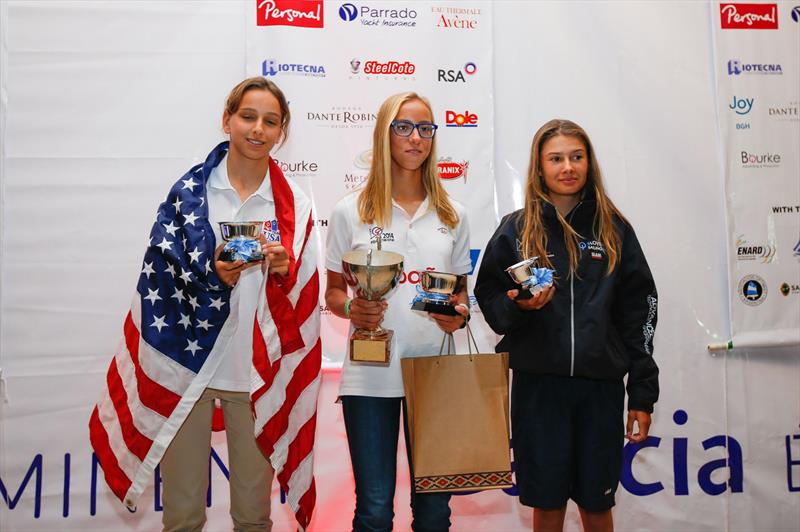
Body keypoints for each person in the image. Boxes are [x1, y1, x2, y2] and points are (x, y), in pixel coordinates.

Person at [90, 77, 320, 532]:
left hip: (254, 376)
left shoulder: (293, 204)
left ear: (282, 132)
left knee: (253, 518)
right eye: (248, 116)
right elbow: (159, 272)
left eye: (270, 121)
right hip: (187, 370)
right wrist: (213, 276)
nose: (257, 129)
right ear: (227, 120)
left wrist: (282, 272)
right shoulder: (188, 194)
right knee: (182, 517)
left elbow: (304, 297)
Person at [474, 119, 659, 532]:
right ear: (539, 168)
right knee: (548, 504)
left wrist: (642, 395)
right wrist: (521, 305)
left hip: (600, 390)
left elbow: (641, 313)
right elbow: (491, 304)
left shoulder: (615, 229)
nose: (567, 167)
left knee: (597, 505)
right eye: (555, 158)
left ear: (589, 164)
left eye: (576, 157)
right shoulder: (516, 229)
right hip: (539, 390)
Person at [325, 92, 472, 532]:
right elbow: (333, 292)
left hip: (436, 374)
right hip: (370, 374)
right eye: (404, 127)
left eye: (425, 129)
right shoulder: (350, 210)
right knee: (373, 510)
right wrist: (354, 307)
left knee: (433, 514)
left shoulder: (454, 214)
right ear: (384, 134)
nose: (416, 138)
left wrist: (458, 314)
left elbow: (462, 296)